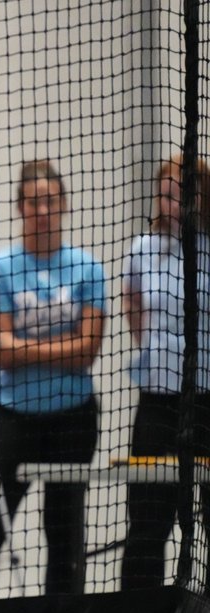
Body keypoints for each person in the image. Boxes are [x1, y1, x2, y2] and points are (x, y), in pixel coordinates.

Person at [0, 160, 108, 598]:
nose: (42, 210)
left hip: (73, 419)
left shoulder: (88, 269)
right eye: (32, 202)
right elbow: (0, 356)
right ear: (19, 208)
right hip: (13, 418)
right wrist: (59, 344)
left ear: (63, 205)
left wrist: (21, 346)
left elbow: (88, 354)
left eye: (50, 201)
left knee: (64, 537)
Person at [120, 154, 210, 589]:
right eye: (164, 189)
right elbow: (132, 305)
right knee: (147, 522)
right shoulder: (143, 249)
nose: (168, 197)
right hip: (157, 399)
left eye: (180, 190)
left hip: (207, 399)